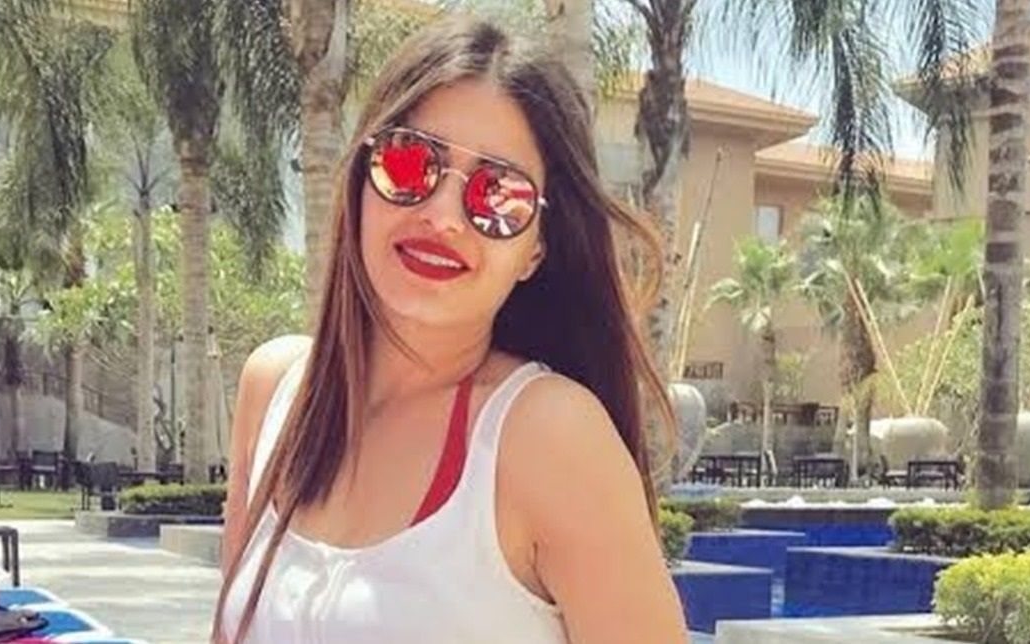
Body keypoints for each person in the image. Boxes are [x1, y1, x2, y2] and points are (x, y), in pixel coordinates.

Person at [213, 16, 688, 644]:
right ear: (360, 180)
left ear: (536, 249)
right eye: (411, 163)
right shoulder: (274, 390)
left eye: (499, 196)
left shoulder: (548, 437)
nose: (442, 217)